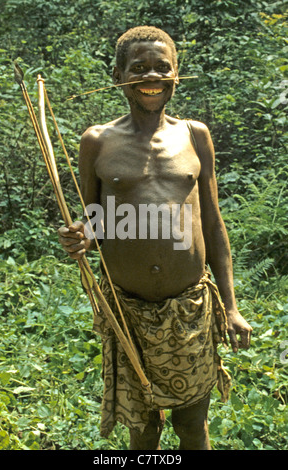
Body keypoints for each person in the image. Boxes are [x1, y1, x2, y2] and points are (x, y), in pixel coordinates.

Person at [58, 26, 252, 450]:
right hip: (128, 312)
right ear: (117, 75)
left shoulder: (194, 136)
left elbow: (214, 226)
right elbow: (95, 221)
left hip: (190, 308)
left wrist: (232, 307)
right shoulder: (97, 141)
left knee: (191, 426)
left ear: (176, 75)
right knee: (143, 430)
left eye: (162, 68)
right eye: (139, 67)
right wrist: (81, 237)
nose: (151, 76)